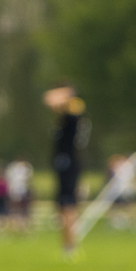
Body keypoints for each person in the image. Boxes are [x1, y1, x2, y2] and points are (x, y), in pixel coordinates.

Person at [44, 84, 88, 258]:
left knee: (68, 205)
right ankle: (67, 245)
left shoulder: (73, 115)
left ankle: (70, 246)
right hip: (66, 164)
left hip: (68, 164)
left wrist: (65, 93)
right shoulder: (68, 117)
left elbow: (49, 99)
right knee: (64, 207)